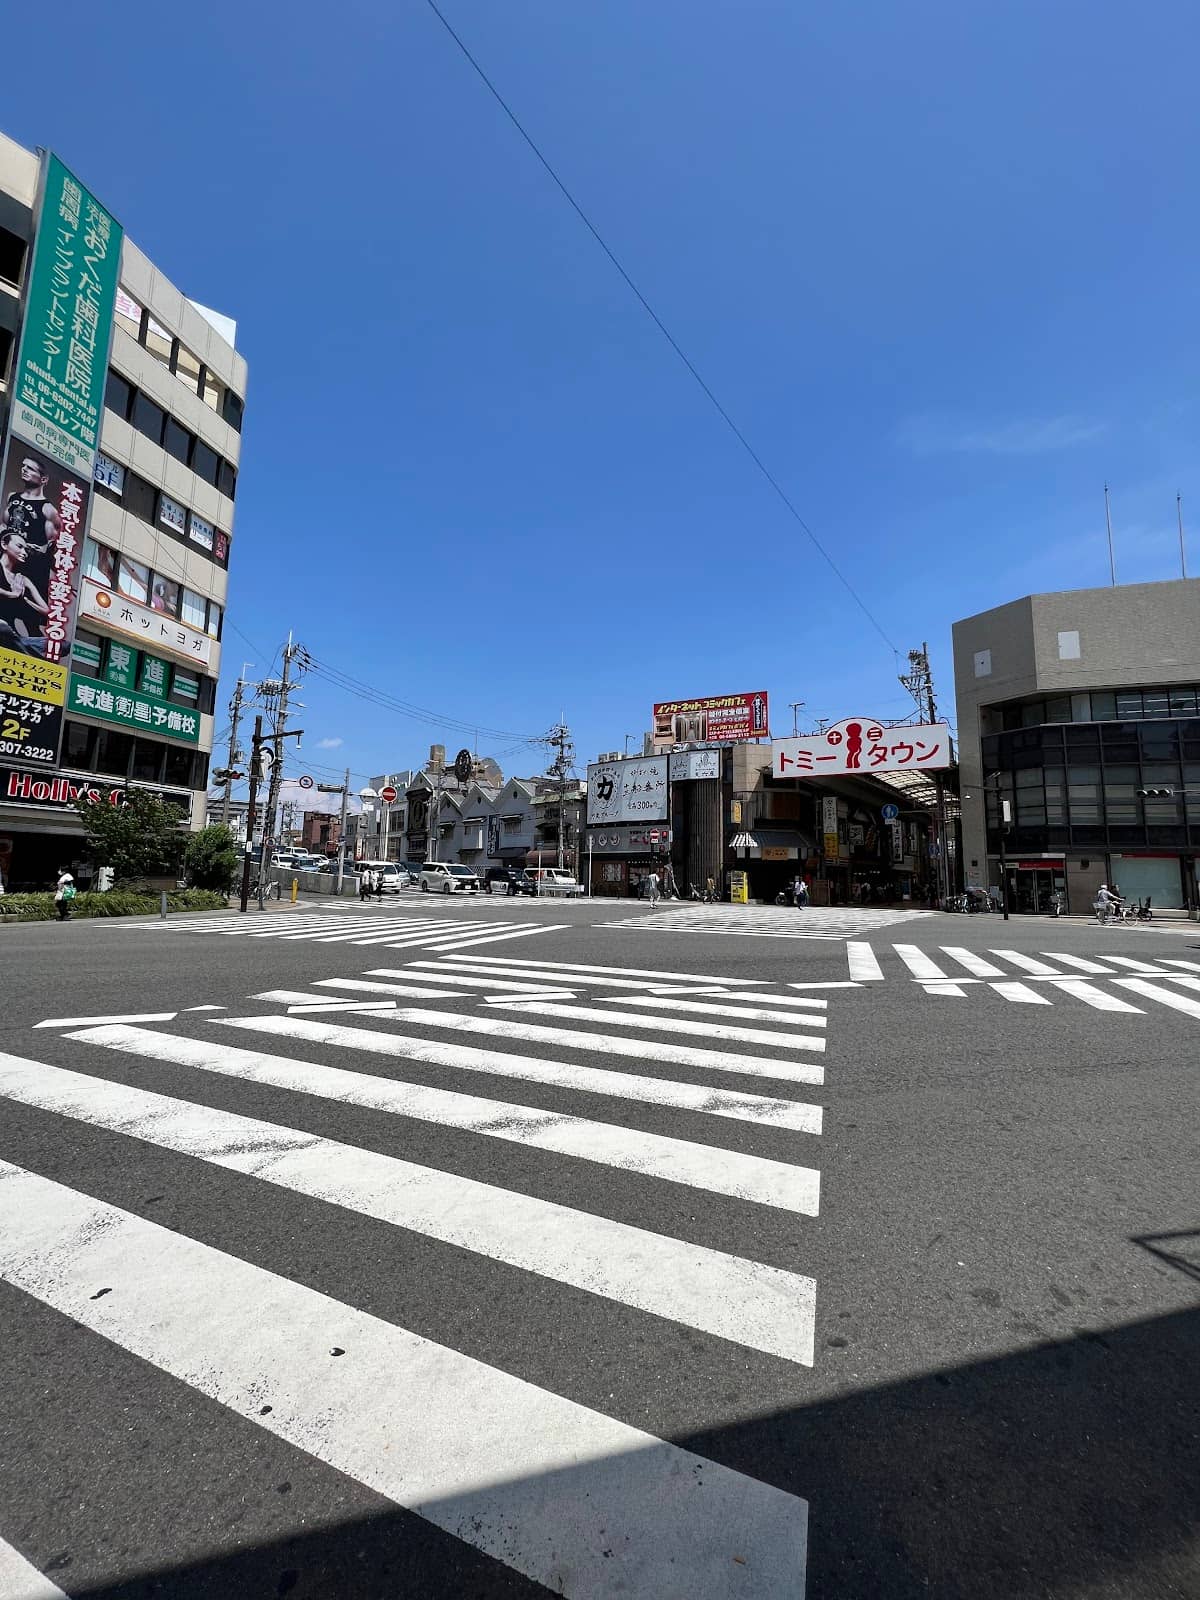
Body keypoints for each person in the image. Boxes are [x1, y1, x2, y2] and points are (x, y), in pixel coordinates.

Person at [2, 454, 60, 593]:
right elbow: (3, 525)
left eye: (30, 468)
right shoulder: (12, 497)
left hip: (30, 569)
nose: (24, 469)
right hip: (7, 562)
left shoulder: (48, 509)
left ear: (43, 479)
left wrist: (34, 549)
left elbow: (52, 545)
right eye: (24, 466)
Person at [0, 532, 50, 654]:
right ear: (4, 545)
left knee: (61, 645)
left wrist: (28, 601)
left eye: (26, 549)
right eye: (19, 546)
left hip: (11, 634)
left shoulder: (22, 579)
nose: (24, 553)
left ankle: (20, 645)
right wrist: (11, 594)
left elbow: (47, 610)